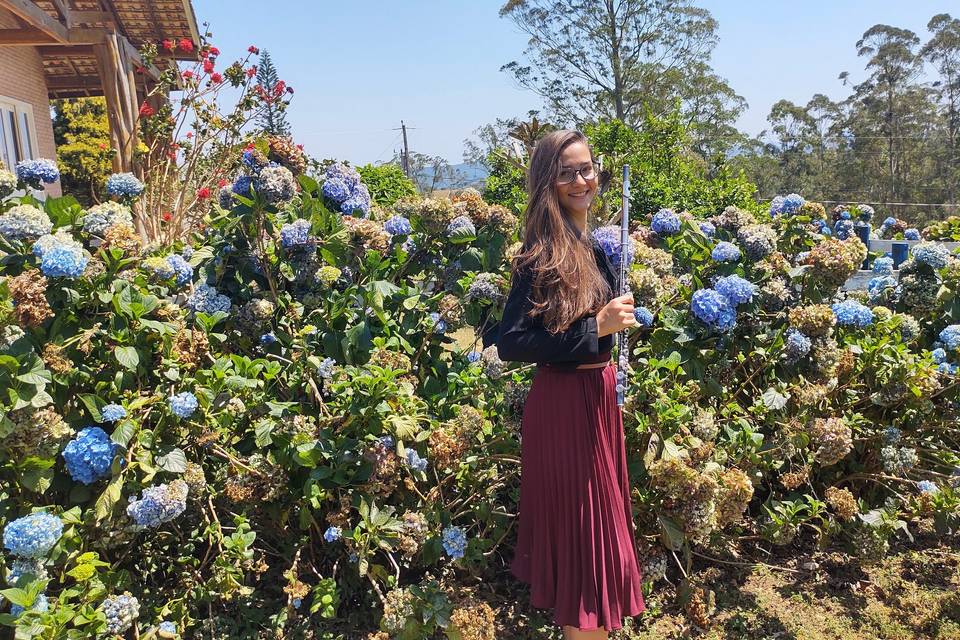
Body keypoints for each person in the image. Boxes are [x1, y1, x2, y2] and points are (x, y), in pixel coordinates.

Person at [496, 129, 645, 638]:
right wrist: (594, 328)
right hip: (564, 407)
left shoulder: (593, 247)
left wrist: (607, 330)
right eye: (567, 173)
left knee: (598, 535)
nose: (582, 180)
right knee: (585, 545)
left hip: (596, 401)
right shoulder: (540, 253)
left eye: (586, 169)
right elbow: (512, 342)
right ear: (548, 183)